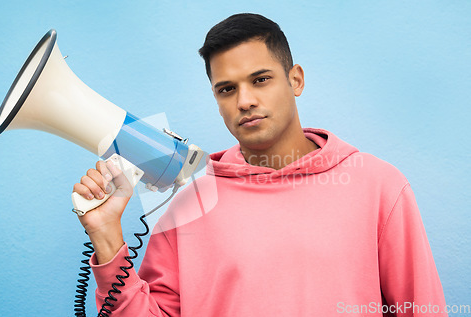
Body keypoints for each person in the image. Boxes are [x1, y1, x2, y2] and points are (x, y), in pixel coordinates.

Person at [73, 13, 447, 316]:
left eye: (261, 79)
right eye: (227, 89)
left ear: (295, 79)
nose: (245, 100)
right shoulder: (187, 199)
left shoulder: (377, 185)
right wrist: (107, 238)